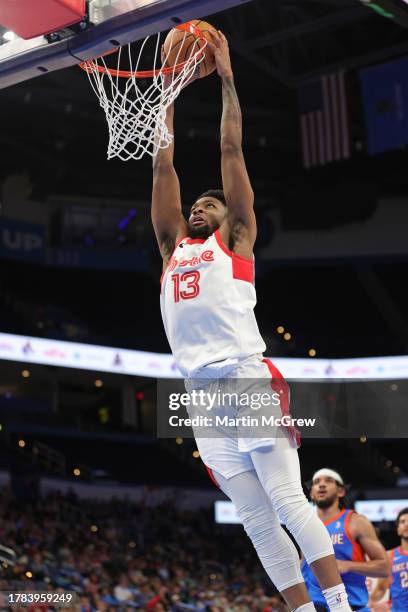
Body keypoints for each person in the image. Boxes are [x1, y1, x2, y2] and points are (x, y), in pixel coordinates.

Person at [152, 29, 354, 612]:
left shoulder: (234, 238)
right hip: (199, 393)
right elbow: (164, 165)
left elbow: (231, 152)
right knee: (255, 520)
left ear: (228, 218)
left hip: (244, 375)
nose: (197, 207)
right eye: (195, 204)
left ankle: (338, 605)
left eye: (207, 205)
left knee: (289, 502)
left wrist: (228, 82)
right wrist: (164, 91)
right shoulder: (172, 249)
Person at [301, 468, 390, 611]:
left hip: (351, 606)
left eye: (328, 481)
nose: (321, 485)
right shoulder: (304, 525)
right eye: (316, 482)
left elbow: (385, 568)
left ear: (341, 491)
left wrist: (348, 565)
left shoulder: (356, 521)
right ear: (311, 493)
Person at [369, 507, 408, 611]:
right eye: (403, 522)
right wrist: (368, 604)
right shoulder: (390, 555)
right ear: (398, 529)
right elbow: (381, 588)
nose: (406, 524)